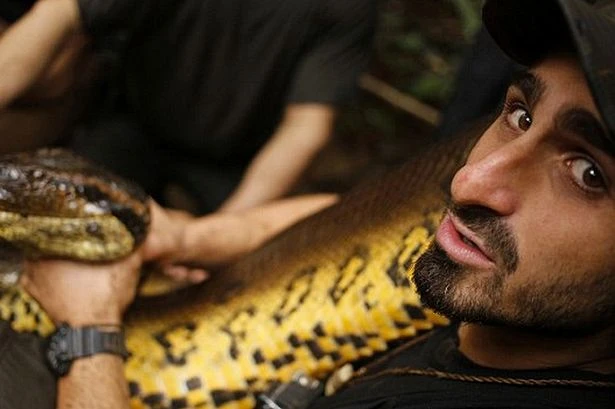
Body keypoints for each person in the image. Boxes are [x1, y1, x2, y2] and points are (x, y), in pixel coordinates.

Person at [2, 0, 615, 408]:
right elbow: (346, 212)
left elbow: (307, 130)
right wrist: (189, 238)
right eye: (519, 114)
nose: (468, 182)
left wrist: (88, 330)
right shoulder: (493, 283)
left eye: (589, 173)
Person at [0, 0, 377, 213]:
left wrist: (218, 231)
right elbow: (59, 13)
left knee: (234, 266)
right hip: (135, 123)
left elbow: (306, 126)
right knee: (59, 210)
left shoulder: (344, 9)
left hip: (235, 158)